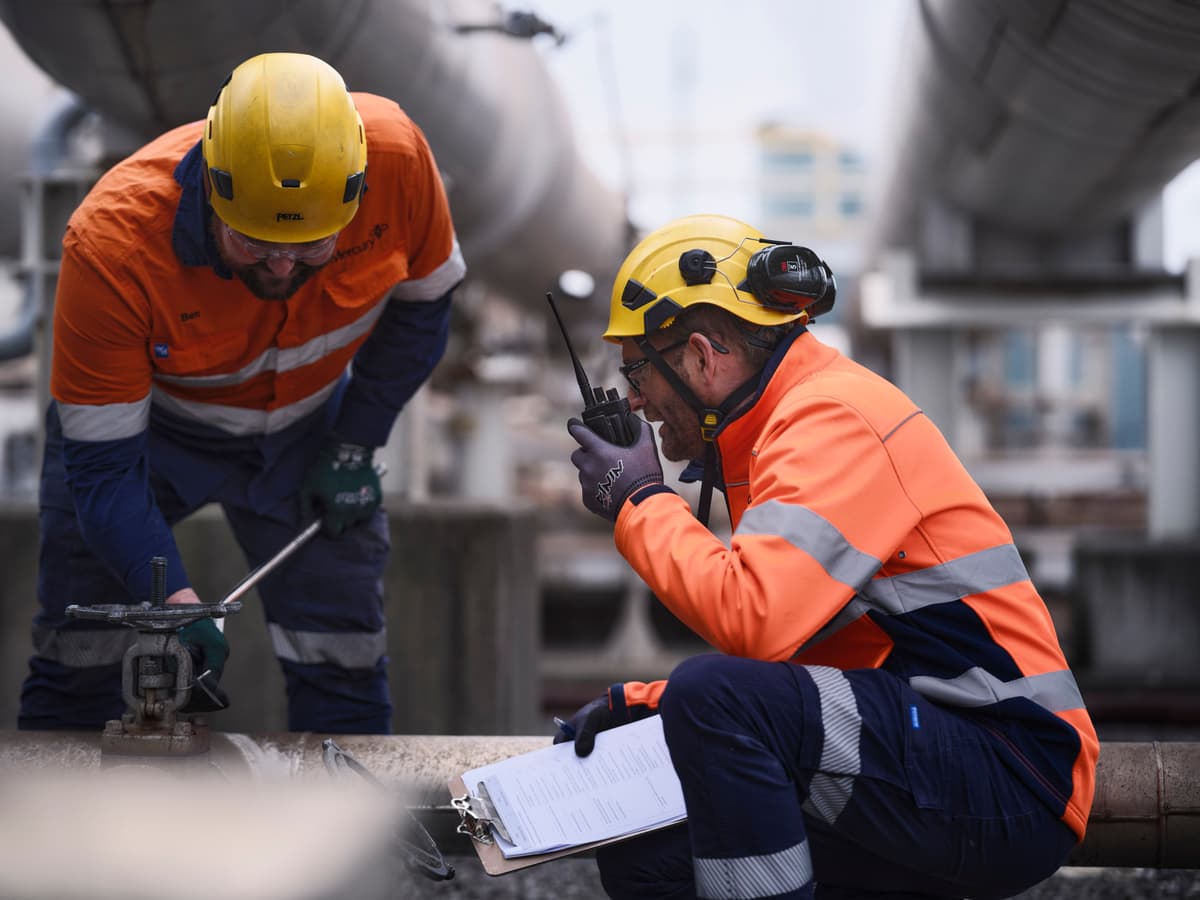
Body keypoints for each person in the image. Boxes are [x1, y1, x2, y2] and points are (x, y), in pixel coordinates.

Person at [560, 213, 1098, 899]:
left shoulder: (831, 418)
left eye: (638, 369)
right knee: (651, 861)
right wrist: (647, 703)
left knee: (711, 694)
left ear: (702, 356)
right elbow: (814, 652)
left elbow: (754, 618)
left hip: (1007, 766)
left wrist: (639, 498)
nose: (635, 399)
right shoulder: (772, 435)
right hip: (925, 746)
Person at [18, 52, 465, 734]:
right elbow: (104, 472)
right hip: (151, 440)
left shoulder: (399, 160)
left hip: (312, 426)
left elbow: (426, 307)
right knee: (79, 656)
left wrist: (355, 444)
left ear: (355, 189)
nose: (283, 265)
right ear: (213, 189)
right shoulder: (110, 245)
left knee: (342, 656)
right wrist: (170, 601)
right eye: (254, 244)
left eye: (313, 246)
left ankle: (349, 828)